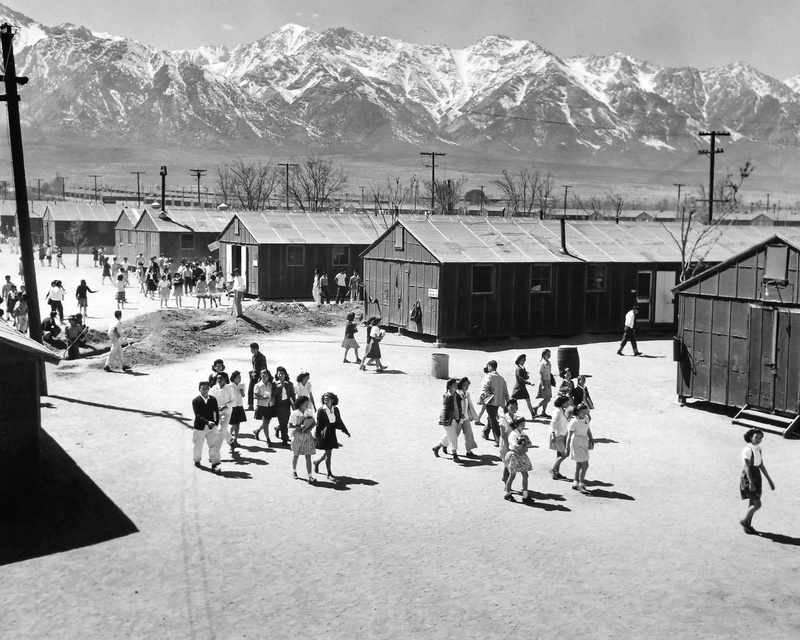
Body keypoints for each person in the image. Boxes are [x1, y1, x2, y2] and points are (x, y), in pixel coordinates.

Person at [740, 428, 775, 535]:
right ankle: (744, 521)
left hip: (757, 477)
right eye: (756, 437)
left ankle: (748, 527)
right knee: (757, 504)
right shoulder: (747, 450)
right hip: (749, 477)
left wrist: (769, 480)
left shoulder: (758, 449)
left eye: (760, 438)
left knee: (753, 502)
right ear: (751, 437)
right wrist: (751, 483)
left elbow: (761, 465)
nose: (758, 439)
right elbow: (747, 467)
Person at [313, 392, 351, 481]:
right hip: (324, 434)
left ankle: (317, 462)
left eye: (328, 399)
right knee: (329, 453)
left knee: (328, 452)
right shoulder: (321, 410)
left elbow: (339, 421)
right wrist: (317, 435)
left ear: (332, 400)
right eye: (324, 399)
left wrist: (345, 431)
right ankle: (329, 473)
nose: (325, 400)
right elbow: (319, 424)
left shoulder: (336, 409)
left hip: (332, 433)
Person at [192, 381, 222, 474]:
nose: (205, 390)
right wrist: (207, 422)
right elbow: (198, 415)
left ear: (209, 389)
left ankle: (215, 465)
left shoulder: (213, 399)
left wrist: (215, 423)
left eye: (206, 388)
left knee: (213, 445)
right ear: (199, 389)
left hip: (212, 427)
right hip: (199, 427)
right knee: (197, 445)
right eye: (203, 388)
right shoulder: (196, 401)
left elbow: (215, 413)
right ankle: (197, 460)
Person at [479, 360, 509, 446]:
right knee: (491, 416)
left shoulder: (489, 376)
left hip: (490, 400)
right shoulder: (501, 378)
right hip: (498, 401)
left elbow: (484, 387)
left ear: (490, 366)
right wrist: (507, 401)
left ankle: (498, 439)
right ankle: (485, 432)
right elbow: (506, 391)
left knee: (493, 419)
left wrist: (481, 397)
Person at [566, 403, 594, 493]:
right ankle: (581, 485)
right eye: (583, 411)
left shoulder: (586, 418)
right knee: (585, 465)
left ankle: (575, 482)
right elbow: (569, 435)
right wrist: (567, 448)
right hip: (577, 442)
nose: (585, 413)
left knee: (579, 464)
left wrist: (591, 439)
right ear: (577, 412)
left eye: (586, 411)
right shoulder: (574, 421)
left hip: (584, 441)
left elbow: (588, 430)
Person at [432, 378, 463, 462]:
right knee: (453, 438)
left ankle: (437, 447)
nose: (456, 387)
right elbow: (446, 409)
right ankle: (454, 455)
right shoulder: (447, 396)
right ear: (449, 387)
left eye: (456, 386)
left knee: (450, 436)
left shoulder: (457, 396)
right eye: (454, 386)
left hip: (457, 418)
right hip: (449, 419)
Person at [290, 395, 317, 483]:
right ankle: (294, 471)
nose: (308, 405)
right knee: (296, 455)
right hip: (298, 436)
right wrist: (299, 426)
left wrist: (309, 428)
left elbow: (314, 422)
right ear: (301, 404)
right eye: (306, 404)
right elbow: (289, 425)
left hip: (307, 436)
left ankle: (310, 476)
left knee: (308, 456)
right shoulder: (294, 413)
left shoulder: (309, 412)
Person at [499, 399, 525, 486]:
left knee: (509, 463)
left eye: (515, 407)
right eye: (511, 407)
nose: (513, 408)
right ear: (507, 407)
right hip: (506, 443)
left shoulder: (516, 418)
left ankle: (505, 479)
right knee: (507, 463)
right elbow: (503, 434)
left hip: (514, 443)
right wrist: (508, 446)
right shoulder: (503, 418)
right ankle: (506, 484)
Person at [210, 371, 236, 453]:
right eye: (218, 378)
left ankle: (215, 451)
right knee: (218, 430)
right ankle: (231, 441)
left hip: (226, 412)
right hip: (216, 413)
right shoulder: (214, 388)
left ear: (225, 379)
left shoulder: (229, 389)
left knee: (221, 431)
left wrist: (225, 406)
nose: (219, 380)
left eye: (221, 379)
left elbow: (234, 401)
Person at [504, 432, 533, 503]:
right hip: (515, 457)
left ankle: (525, 495)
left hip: (521, 457)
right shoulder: (517, 442)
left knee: (525, 475)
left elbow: (529, 445)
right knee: (512, 476)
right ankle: (507, 494)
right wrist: (521, 443)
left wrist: (527, 441)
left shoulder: (524, 441)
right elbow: (516, 448)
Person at [456, 377, 479, 459]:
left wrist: (472, 415)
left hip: (466, 418)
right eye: (465, 385)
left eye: (467, 385)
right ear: (461, 385)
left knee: (469, 434)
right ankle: (441, 445)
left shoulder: (467, 394)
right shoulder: (457, 394)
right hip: (458, 419)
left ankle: (469, 451)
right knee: (453, 435)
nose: (467, 387)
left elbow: (470, 405)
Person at [548, 396, 571, 480]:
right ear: (562, 403)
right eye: (566, 402)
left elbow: (563, 422)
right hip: (557, 435)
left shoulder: (562, 410)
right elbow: (552, 423)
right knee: (565, 454)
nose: (567, 404)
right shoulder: (557, 411)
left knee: (559, 454)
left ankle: (556, 473)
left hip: (562, 434)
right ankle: (553, 469)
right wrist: (553, 434)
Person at [273, 366, 296, 446]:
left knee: (286, 421)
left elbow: (292, 395)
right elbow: (274, 394)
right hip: (279, 405)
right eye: (279, 374)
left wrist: (294, 404)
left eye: (282, 374)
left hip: (287, 404)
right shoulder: (274, 384)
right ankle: (284, 439)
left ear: (285, 375)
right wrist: (279, 387)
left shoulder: (289, 384)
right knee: (283, 422)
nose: (280, 375)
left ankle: (278, 428)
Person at [252, 369, 275, 446]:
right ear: (260, 376)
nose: (264, 377)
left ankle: (257, 431)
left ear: (268, 376)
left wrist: (271, 399)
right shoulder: (258, 385)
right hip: (262, 406)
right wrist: (263, 397)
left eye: (266, 376)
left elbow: (272, 395)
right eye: (263, 376)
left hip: (269, 406)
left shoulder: (270, 385)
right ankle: (268, 439)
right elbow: (255, 396)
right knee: (266, 423)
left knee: (267, 422)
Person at [511, 354, 536, 421]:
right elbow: (521, 379)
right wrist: (529, 383)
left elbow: (524, 378)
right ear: (519, 361)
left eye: (524, 360)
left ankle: (533, 414)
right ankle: (509, 414)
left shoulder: (522, 368)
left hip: (522, 388)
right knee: (513, 402)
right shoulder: (518, 369)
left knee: (528, 400)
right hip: (518, 388)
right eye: (522, 360)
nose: (524, 361)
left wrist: (527, 376)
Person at [228, 371, 247, 450]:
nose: (239, 379)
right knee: (234, 424)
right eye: (238, 377)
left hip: (239, 406)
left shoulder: (242, 385)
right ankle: (229, 437)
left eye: (240, 377)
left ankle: (235, 439)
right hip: (233, 407)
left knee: (238, 423)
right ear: (234, 378)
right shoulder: (229, 386)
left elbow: (243, 395)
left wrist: (241, 390)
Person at [533, 349, 554, 419]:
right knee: (547, 399)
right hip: (544, 381)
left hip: (548, 381)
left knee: (547, 398)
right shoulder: (542, 363)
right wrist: (542, 384)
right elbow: (541, 374)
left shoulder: (548, 362)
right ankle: (536, 407)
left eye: (549, 354)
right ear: (543, 355)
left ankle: (543, 412)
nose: (549, 355)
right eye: (547, 354)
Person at [248, 342, 267, 410]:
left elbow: (264, 368)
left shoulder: (262, 357)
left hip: (260, 375)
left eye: (252, 349)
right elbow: (254, 367)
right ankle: (250, 405)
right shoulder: (253, 357)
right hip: (254, 375)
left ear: (256, 349)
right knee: (250, 390)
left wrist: (261, 377)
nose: (251, 350)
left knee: (261, 391)